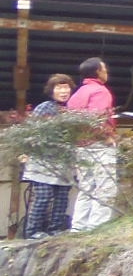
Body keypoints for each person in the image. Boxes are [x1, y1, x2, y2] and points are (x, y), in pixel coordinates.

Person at [19, 72, 75, 238]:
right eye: (59, 87)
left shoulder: (73, 109)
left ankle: (56, 229)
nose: (64, 91)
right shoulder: (45, 107)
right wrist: (25, 151)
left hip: (64, 160)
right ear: (51, 90)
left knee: (62, 197)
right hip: (43, 159)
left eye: (66, 87)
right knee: (43, 197)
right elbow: (31, 131)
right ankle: (33, 231)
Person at [66, 57, 118, 232]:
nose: (106, 72)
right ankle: (97, 227)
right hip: (98, 145)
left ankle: (78, 228)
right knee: (105, 187)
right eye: (104, 69)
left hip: (80, 146)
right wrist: (107, 138)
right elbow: (97, 118)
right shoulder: (100, 91)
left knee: (86, 187)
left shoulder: (76, 95)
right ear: (97, 72)